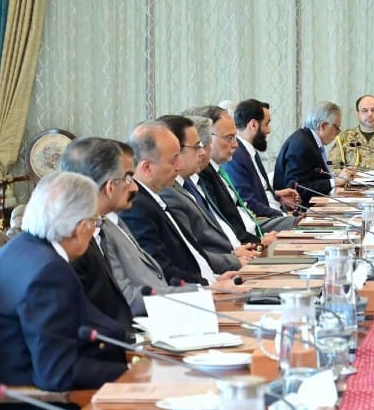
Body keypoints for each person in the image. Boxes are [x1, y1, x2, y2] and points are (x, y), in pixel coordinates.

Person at [0, 171, 129, 410]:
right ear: (81, 227)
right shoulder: (49, 271)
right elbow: (57, 373)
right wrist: (127, 375)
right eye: (95, 223)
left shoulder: (19, 252)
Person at [121, 121, 219, 286]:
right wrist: (209, 285)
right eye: (173, 160)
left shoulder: (154, 196)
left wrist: (215, 278)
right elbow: (161, 270)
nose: (179, 166)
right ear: (147, 168)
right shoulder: (137, 207)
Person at [57, 137, 136, 329]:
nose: (134, 187)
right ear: (110, 187)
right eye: (127, 178)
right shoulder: (72, 242)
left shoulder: (97, 227)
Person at [158, 115, 250, 273]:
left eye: (203, 145)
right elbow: (189, 253)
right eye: (196, 146)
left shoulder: (187, 184)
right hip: (215, 273)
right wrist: (234, 260)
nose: (202, 152)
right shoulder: (168, 192)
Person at [192, 105, 286, 239]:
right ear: (206, 139)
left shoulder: (216, 169)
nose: (236, 144)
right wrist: (258, 244)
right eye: (229, 137)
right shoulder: (202, 175)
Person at [222, 99, 300, 230]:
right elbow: (248, 202)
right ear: (253, 125)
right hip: (260, 222)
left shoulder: (249, 150)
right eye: (267, 124)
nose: (269, 130)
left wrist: (278, 196)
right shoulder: (236, 156)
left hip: (274, 215)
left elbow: (260, 191)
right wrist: (282, 215)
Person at [274, 101, 343, 205]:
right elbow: (297, 188)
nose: (338, 133)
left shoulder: (309, 140)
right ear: (323, 126)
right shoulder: (302, 145)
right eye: (337, 128)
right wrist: (334, 182)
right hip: (298, 210)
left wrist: (335, 176)